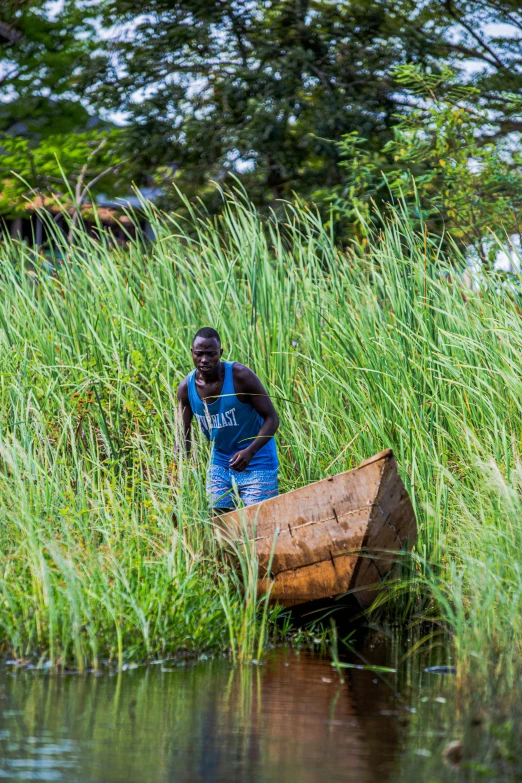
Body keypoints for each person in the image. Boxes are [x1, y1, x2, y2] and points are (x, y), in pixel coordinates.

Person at [177, 327, 280, 513]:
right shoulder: (186, 388)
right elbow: (183, 435)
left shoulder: (241, 377)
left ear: (220, 353)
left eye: (211, 354)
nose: (204, 360)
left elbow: (272, 418)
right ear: (192, 353)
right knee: (219, 525)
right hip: (221, 463)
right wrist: (178, 468)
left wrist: (250, 451)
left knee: (261, 522)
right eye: (199, 354)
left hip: (258, 461)